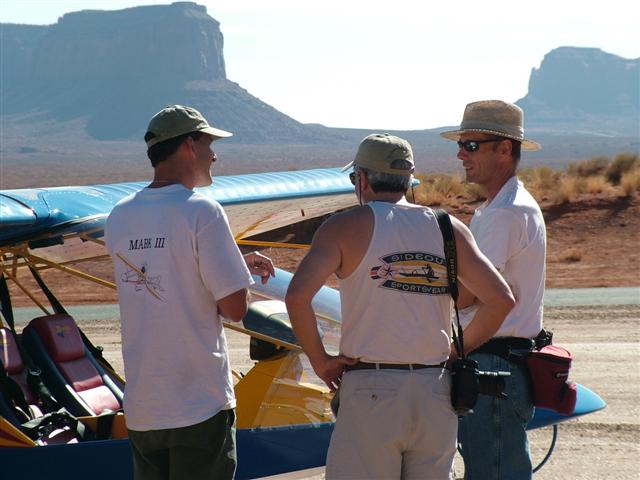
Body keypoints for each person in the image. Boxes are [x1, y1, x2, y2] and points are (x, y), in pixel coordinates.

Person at [285, 133, 515, 480]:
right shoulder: (448, 227)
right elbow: (500, 300)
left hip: (371, 387)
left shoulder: (344, 227)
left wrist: (321, 362)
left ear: (362, 180)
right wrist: (455, 352)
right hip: (435, 390)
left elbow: (297, 296)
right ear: (408, 180)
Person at [105, 105, 274, 480]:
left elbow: (165, 267)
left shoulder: (119, 215)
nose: (214, 155)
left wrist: (233, 261)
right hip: (198, 406)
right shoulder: (202, 211)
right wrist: (235, 273)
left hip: (144, 410)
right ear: (189, 145)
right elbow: (235, 308)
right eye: (209, 144)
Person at [440, 99, 545, 480]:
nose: (461, 154)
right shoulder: (500, 207)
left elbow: (472, 294)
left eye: (471, 145)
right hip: (499, 361)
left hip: (492, 363)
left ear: (504, 149)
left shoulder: (504, 213)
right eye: (461, 144)